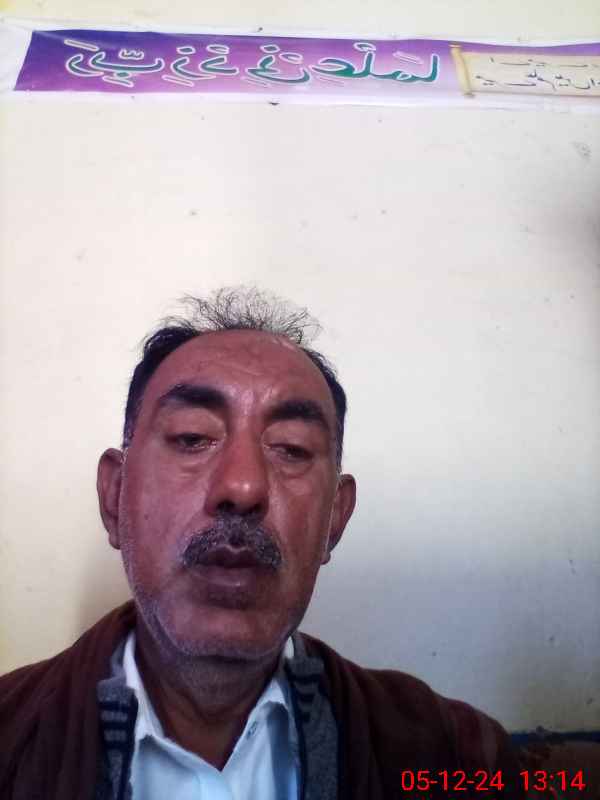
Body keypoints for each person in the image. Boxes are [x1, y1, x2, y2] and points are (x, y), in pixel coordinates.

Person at [0, 288, 523, 800]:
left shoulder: (458, 757)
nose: (244, 486)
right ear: (114, 496)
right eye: (192, 438)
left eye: (291, 448)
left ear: (335, 518)